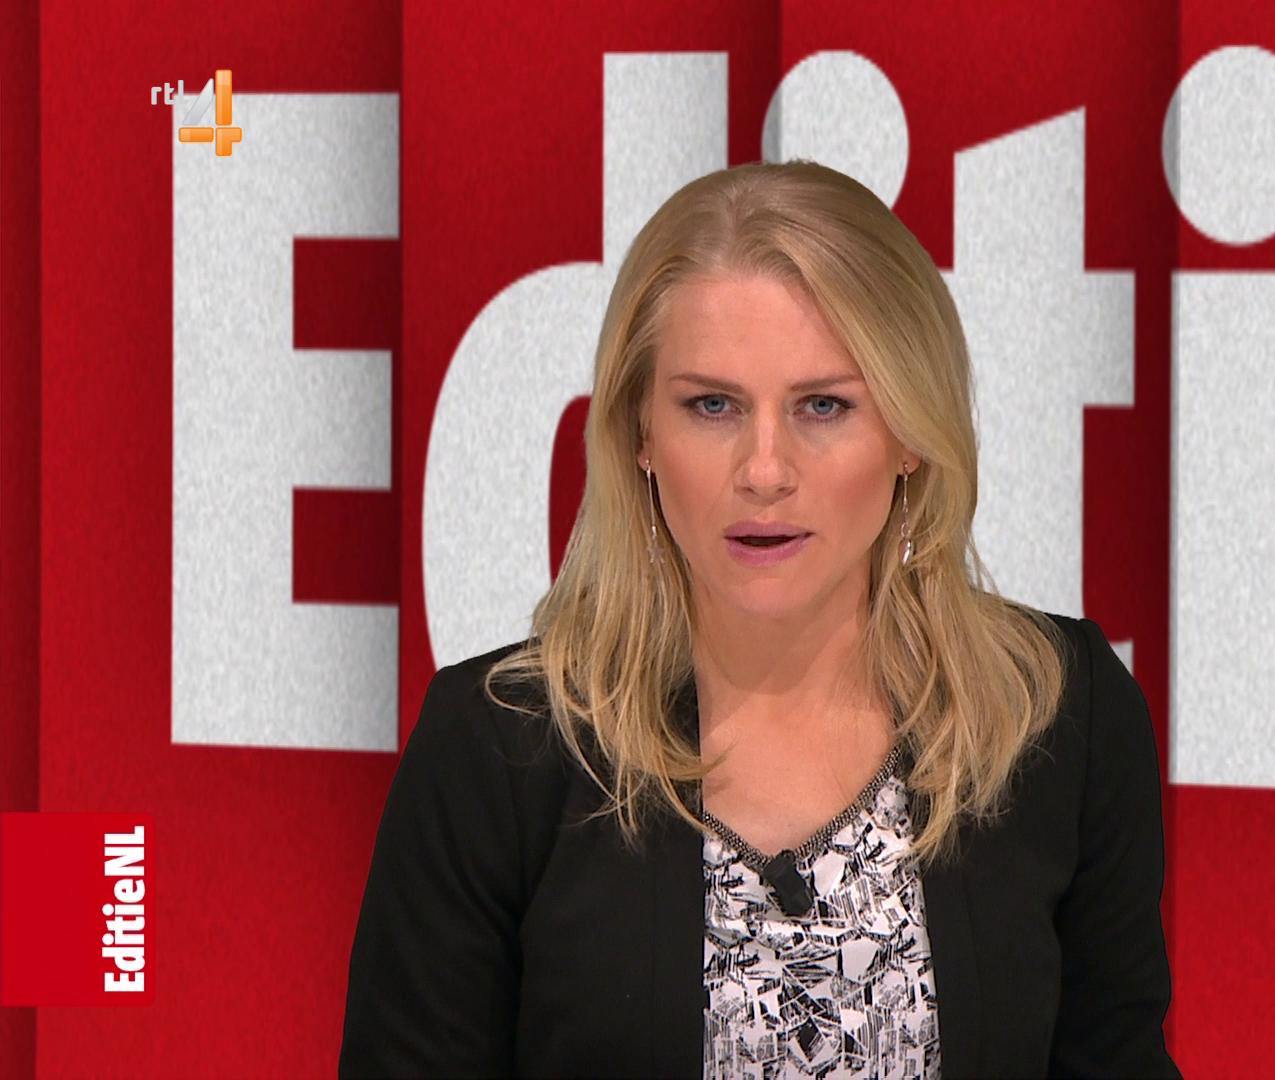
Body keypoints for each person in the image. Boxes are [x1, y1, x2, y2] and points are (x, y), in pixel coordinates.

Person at [338, 159, 1178, 1078]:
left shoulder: (1056, 714)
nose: (765, 470)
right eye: (712, 405)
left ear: (908, 432)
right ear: (640, 434)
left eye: (823, 406)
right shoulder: (499, 747)